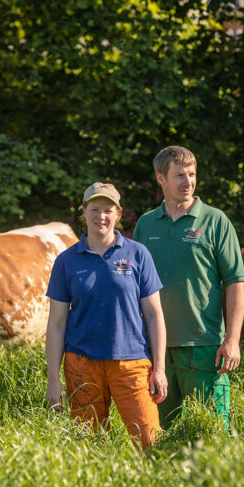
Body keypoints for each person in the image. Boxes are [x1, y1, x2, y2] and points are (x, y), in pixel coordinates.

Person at [45, 182, 168, 451]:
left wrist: (159, 368)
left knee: (151, 442)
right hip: (82, 363)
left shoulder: (137, 254)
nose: (101, 216)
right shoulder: (67, 261)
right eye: (95, 209)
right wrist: (53, 381)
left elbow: (154, 314)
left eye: (108, 210)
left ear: (118, 213)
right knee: (87, 446)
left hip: (131, 361)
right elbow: (56, 324)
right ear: (84, 212)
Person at [132, 145, 244, 431]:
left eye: (192, 175)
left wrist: (232, 340)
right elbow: (134, 287)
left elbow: (235, 281)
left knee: (212, 432)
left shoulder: (215, 220)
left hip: (204, 347)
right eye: (179, 175)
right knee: (159, 435)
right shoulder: (146, 225)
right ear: (161, 179)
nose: (188, 182)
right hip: (155, 351)